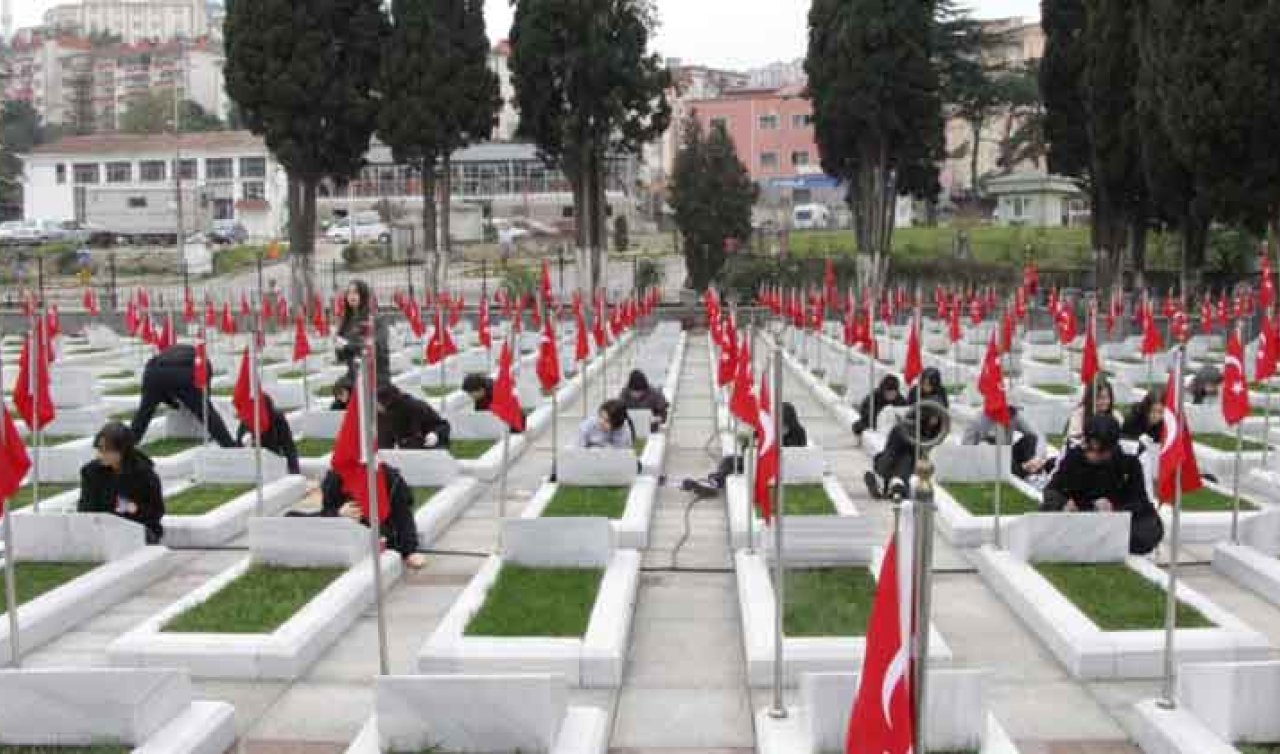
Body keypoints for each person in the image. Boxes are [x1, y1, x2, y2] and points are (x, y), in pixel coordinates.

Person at [1041, 414, 1164, 555]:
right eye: (1090, 449)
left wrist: (1114, 508)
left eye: (1101, 452)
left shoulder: (1129, 460)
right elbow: (1052, 489)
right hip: (1080, 512)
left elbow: (1140, 500)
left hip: (1117, 516)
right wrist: (1063, 504)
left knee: (1145, 532)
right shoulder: (1074, 455)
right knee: (1047, 516)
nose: (1094, 455)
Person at [681, 402, 807, 498]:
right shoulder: (767, 428)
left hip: (777, 469)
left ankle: (715, 482)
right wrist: (751, 443)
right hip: (757, 463)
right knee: (729, 461)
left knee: (737, 465)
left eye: (784, 425)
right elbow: (746, 446)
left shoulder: (799, 433)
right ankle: (715, 483)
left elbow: (797, 455)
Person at [130, 344, 237, 448]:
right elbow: (204, 392)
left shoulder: (171, 353)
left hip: (153, 371)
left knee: (144, 413)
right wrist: (199, 402)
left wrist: (174, 404)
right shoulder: (203, 362)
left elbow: (160, 394)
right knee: (206, 413)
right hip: (184, 373)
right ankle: (228, 445)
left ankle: (127, 445)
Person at [318, 466, 426, 568]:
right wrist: (338, 513)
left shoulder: (391, 478)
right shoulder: (336, 476)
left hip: (384, 537)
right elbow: (325, 512)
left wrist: (410, 551)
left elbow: (403, 516)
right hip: (349, 540)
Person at [78, 422, 165, 544]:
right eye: (99, 449)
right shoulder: (91, 472)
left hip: (138, 526)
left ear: (122, 450)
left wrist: (133, 509)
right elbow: (86, 508)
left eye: (107, 450)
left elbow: (156, 512)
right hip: (104, 527)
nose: (100, 455)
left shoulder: (144, 474)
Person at [864, 402, 947, 500]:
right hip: (898, 456)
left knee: (905, 459)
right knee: (898, 457)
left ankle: (889, 483)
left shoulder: (937, 431)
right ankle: (893, 483)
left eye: (936, 417)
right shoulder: (906, 428)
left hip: (908, 460)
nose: (935, 420)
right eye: (933, 417)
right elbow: (892, 448)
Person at [962, 406, 1056, 481]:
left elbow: (1037, 435)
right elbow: (966, 449)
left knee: (1031, 439)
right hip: (990, 457)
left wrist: (1037, 458)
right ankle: (1025, 471)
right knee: (990, 447)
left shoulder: (1015, 415)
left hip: (1009, 454)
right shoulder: (978, 420)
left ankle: (1032, 468)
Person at [334, 280, 390, 386]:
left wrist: (348, 345)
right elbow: (341, 357)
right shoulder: (346, 322)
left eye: (355, 292)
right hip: (354, 377)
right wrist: (338, 346)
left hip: (376, 379)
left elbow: (375, 347)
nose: (351, 296)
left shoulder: (377, 319)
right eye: (349, 293)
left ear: (363, 295)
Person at [236, 394, 301, 474]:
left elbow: (288, 446)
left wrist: (294, 471)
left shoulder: (277, 418)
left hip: (272, 457)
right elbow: (239, 447)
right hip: (251, 462)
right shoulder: (247, 418)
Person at [376, 385, 451, 449]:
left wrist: (435, 434)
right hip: (403, 451)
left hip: (428, 447)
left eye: (378, 404)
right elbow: (385, 440)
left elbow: (443, 426)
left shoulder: (416, 407)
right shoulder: (383, 414)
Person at [1064, 378, 1121, 446]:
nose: (1105, 402)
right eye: (1100, 398)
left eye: (1107, 398)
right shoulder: (1079, 414)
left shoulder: (1116, 416)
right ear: (1091, 398)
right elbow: (1074, 437)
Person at [852, 375, 906, 442]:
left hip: (891, 425)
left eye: (893, 393)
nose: (890, 395)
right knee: (858, 426)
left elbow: (905, 413)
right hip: (874, 422)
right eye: (888, 392)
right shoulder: (874, 396)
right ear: (883, 390)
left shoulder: (901, 400)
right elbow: (864, 410)